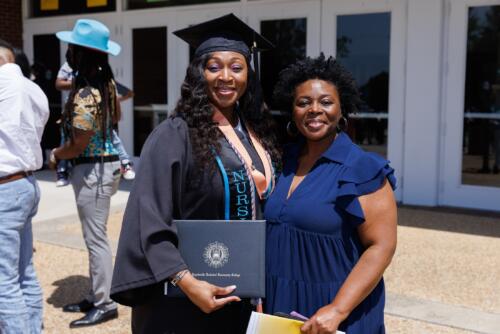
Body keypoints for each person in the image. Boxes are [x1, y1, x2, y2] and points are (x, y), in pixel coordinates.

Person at [110, 14, 280, 334]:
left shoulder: (257, 133)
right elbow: (149, 218)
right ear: (198, 73)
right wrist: (186, 282)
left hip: (244, 296)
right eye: (214, 67)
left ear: (248, 74)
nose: (225, 76)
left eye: (236, 67)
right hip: (186, 300)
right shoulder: (174, 135)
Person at [264, 54, 397, 333]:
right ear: (292, 110)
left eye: (326, 101)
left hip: (335, 313)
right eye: (303, 102)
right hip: (279, 304)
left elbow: (381, 247)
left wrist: (338, 309)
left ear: (341, 108)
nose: (314, 109)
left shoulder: (363, 169)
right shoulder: (282, 161)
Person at [50, 19, 123, 328]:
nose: (68, 53)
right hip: (106, 167)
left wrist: (55, 154)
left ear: (79, 54)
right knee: (96, 237)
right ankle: (98, 294)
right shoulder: (107, 84)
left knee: (96, 240)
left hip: (93, 171)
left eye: (72, 48)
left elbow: (78, 145)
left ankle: (105, 303)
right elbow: (117, 116)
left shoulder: (84, 94)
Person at [0, 39, 49, 334]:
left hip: (5, 188)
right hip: (26, 183)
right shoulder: (33, 90)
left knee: (4, 281)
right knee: (24, 272)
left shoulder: (4, 86)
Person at [54, 60, 136, 186]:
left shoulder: (102, 84)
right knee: (67, 137)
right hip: (100, 164)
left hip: (95, 166)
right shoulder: (83, 85)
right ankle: (62, 171)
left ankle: (125, 163)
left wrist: (55, 154)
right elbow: (59, 83)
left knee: (111, 136)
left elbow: (116, 116)